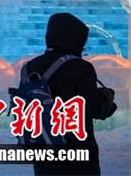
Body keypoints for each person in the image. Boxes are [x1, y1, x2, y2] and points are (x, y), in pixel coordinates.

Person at [26, 13, 117, 176]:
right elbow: (91, 108)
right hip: (77, 154)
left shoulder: (30, 67)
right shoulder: (80, 67)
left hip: (44, 151)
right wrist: (107, 100)